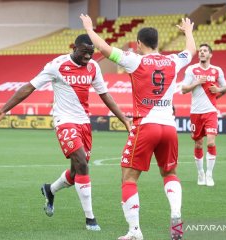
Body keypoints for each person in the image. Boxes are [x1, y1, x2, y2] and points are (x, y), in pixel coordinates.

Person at [0, 34, 130, 231]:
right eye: (84, 52)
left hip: (84, 123)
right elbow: (29, 87)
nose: (88, 57)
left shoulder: (93, 67)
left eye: (91, 53)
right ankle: (90, 219)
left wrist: (124, 119)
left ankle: (50, 190)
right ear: (74, 48)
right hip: (64, 121)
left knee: (76, 171)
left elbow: (105, 95)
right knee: (83, 164)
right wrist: (3, 109)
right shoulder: (57, 65)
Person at [81, 14, 196, 240]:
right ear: (157, 43)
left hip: (146, 126)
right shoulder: (173, 61)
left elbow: (104, 49)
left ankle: (135, 231)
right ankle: (175, 214)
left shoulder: (135, 60)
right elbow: (190, 51)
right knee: (170, 173)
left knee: (129, 178)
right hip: (169, 128)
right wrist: (188, 32)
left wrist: (89, 28)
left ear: (139, 43)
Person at [181, 43, 226, 187]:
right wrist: (196, 83)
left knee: (211, 142)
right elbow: (183, 89)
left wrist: (218, 89)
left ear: (210, 54)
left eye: (205, 51)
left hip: (211, 111)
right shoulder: (192, 69)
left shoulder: (217, 70)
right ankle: (200, 173)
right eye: (200, 51)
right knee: (198, 143)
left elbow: (225, 87)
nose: (201, 52)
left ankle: (209, 174)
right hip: (196, 112)